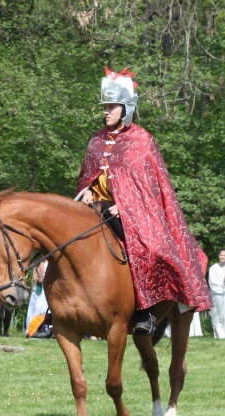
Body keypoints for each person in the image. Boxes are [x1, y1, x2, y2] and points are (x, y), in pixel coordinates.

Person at [76, 67, 212, 335]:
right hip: (94, 208)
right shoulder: (96, 140)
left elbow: (151, 190)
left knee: (151, 250)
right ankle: (62, 306)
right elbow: (93, 174)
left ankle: (147, 311)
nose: (106, 111)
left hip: (131, 214)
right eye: (104, 106)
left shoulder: (142, 140)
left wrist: (125, 208)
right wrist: (89, 189)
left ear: (125, 106)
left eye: (112, 106)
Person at [25, 261, 48, 334]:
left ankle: (43, 328)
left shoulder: (50, 263)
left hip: (46, 290)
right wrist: (39, 279)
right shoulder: (38, 263)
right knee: (35, 309)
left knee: (44, 309)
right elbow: (35, 277)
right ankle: (32, 328)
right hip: (38, 289)